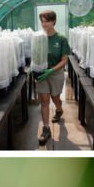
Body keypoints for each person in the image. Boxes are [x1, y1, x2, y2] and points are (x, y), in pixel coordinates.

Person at [36, 10, 72, 145]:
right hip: (42, 72)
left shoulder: (61, 38)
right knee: (44, 100)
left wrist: (51, 70)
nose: (44, 24)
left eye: (47, 21)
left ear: (53, 21)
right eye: (42, 21)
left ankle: (58, 109)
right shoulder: (39, 38)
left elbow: (64, 60)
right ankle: (46, 129)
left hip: (55, 72)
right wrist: (36, 68)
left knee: (55, 97)